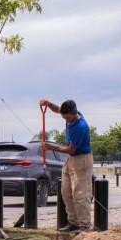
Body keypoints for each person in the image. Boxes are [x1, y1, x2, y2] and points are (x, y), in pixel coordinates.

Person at [40, 98, 92, 232]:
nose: (66, 120)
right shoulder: (70, 114)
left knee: (80, 193)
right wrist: (49, 104)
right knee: (66, 192)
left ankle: (84, 225)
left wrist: (51, 147)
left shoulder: (81, 127)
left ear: (73, 113)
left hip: (81, 159)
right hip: (71, 159)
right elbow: (58, 110)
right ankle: (73, 222)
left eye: (67, 117)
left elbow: (71, 149)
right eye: (64, 117)